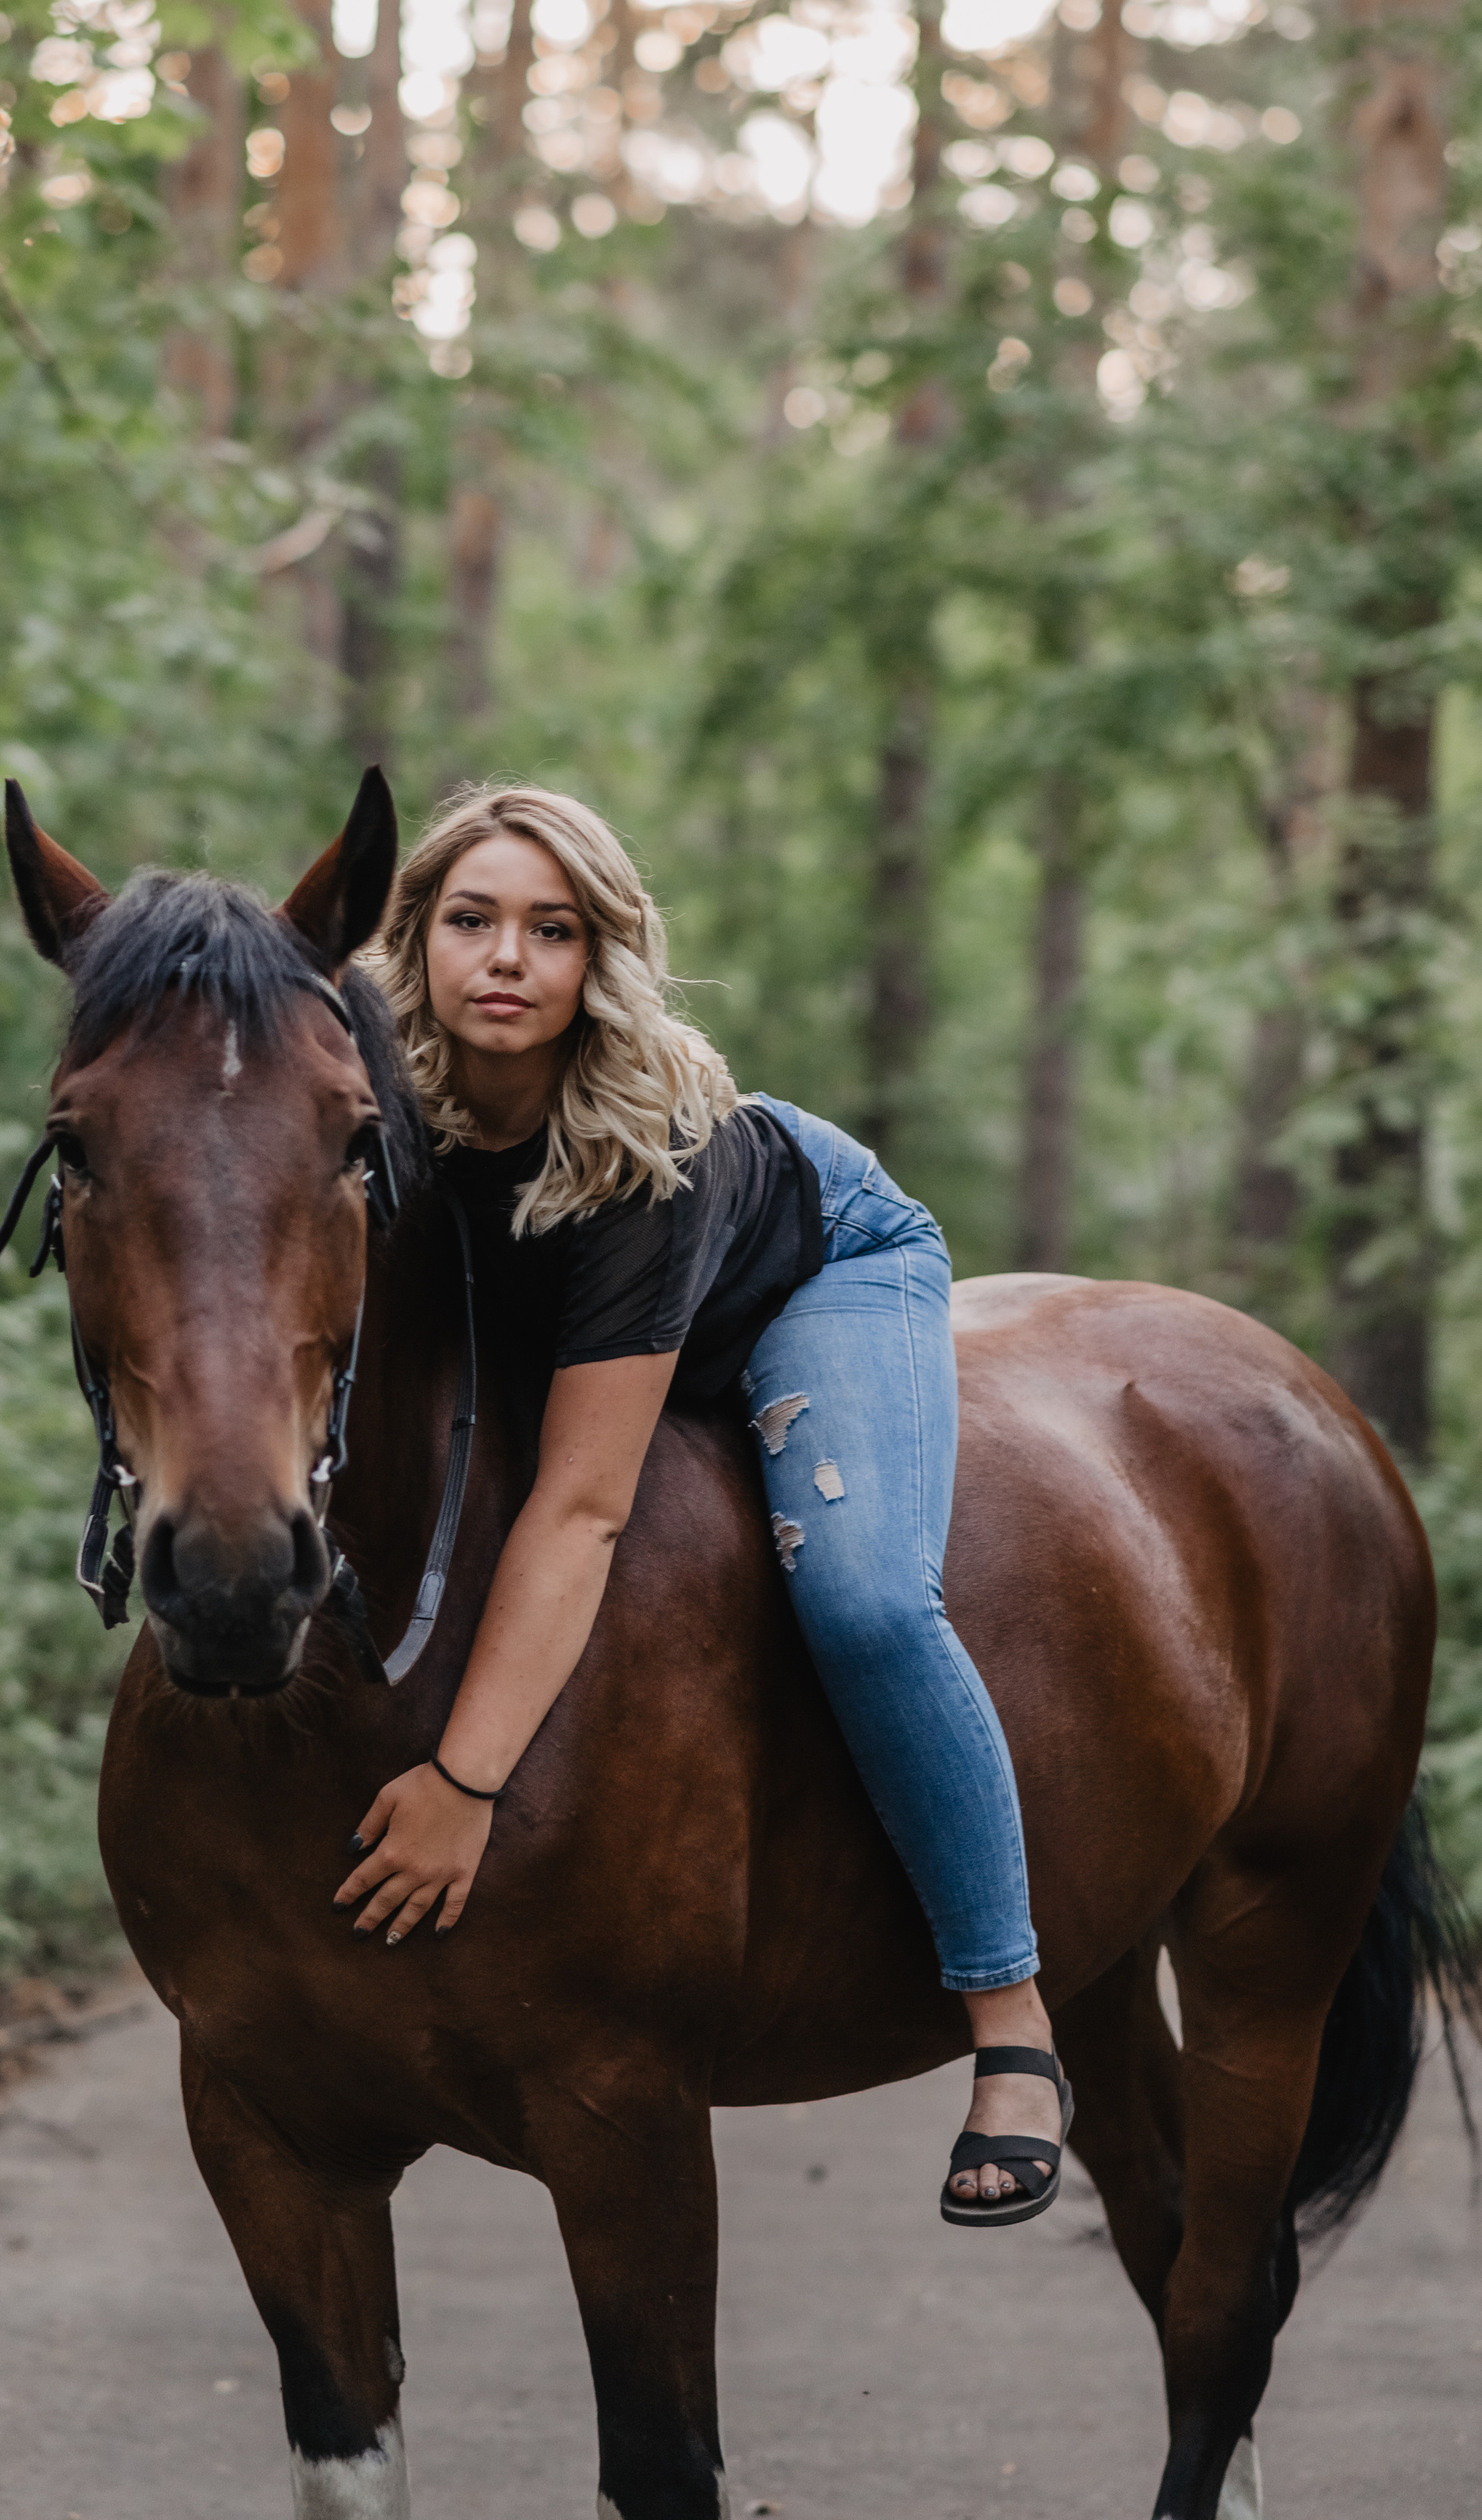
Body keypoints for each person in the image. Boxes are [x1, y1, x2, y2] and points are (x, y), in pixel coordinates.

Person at [335, 787, 1069, 2224]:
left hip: (814, 1272)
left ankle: (1013, 2016)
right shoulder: (380, 1114)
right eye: (471, 920)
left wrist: (468, 1782)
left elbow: (583, 1510)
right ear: (414, 938)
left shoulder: (638, 1142)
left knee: (862, 1596)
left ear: (597, 957)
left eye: (552, 930)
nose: (506, 958)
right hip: (602, 1326)